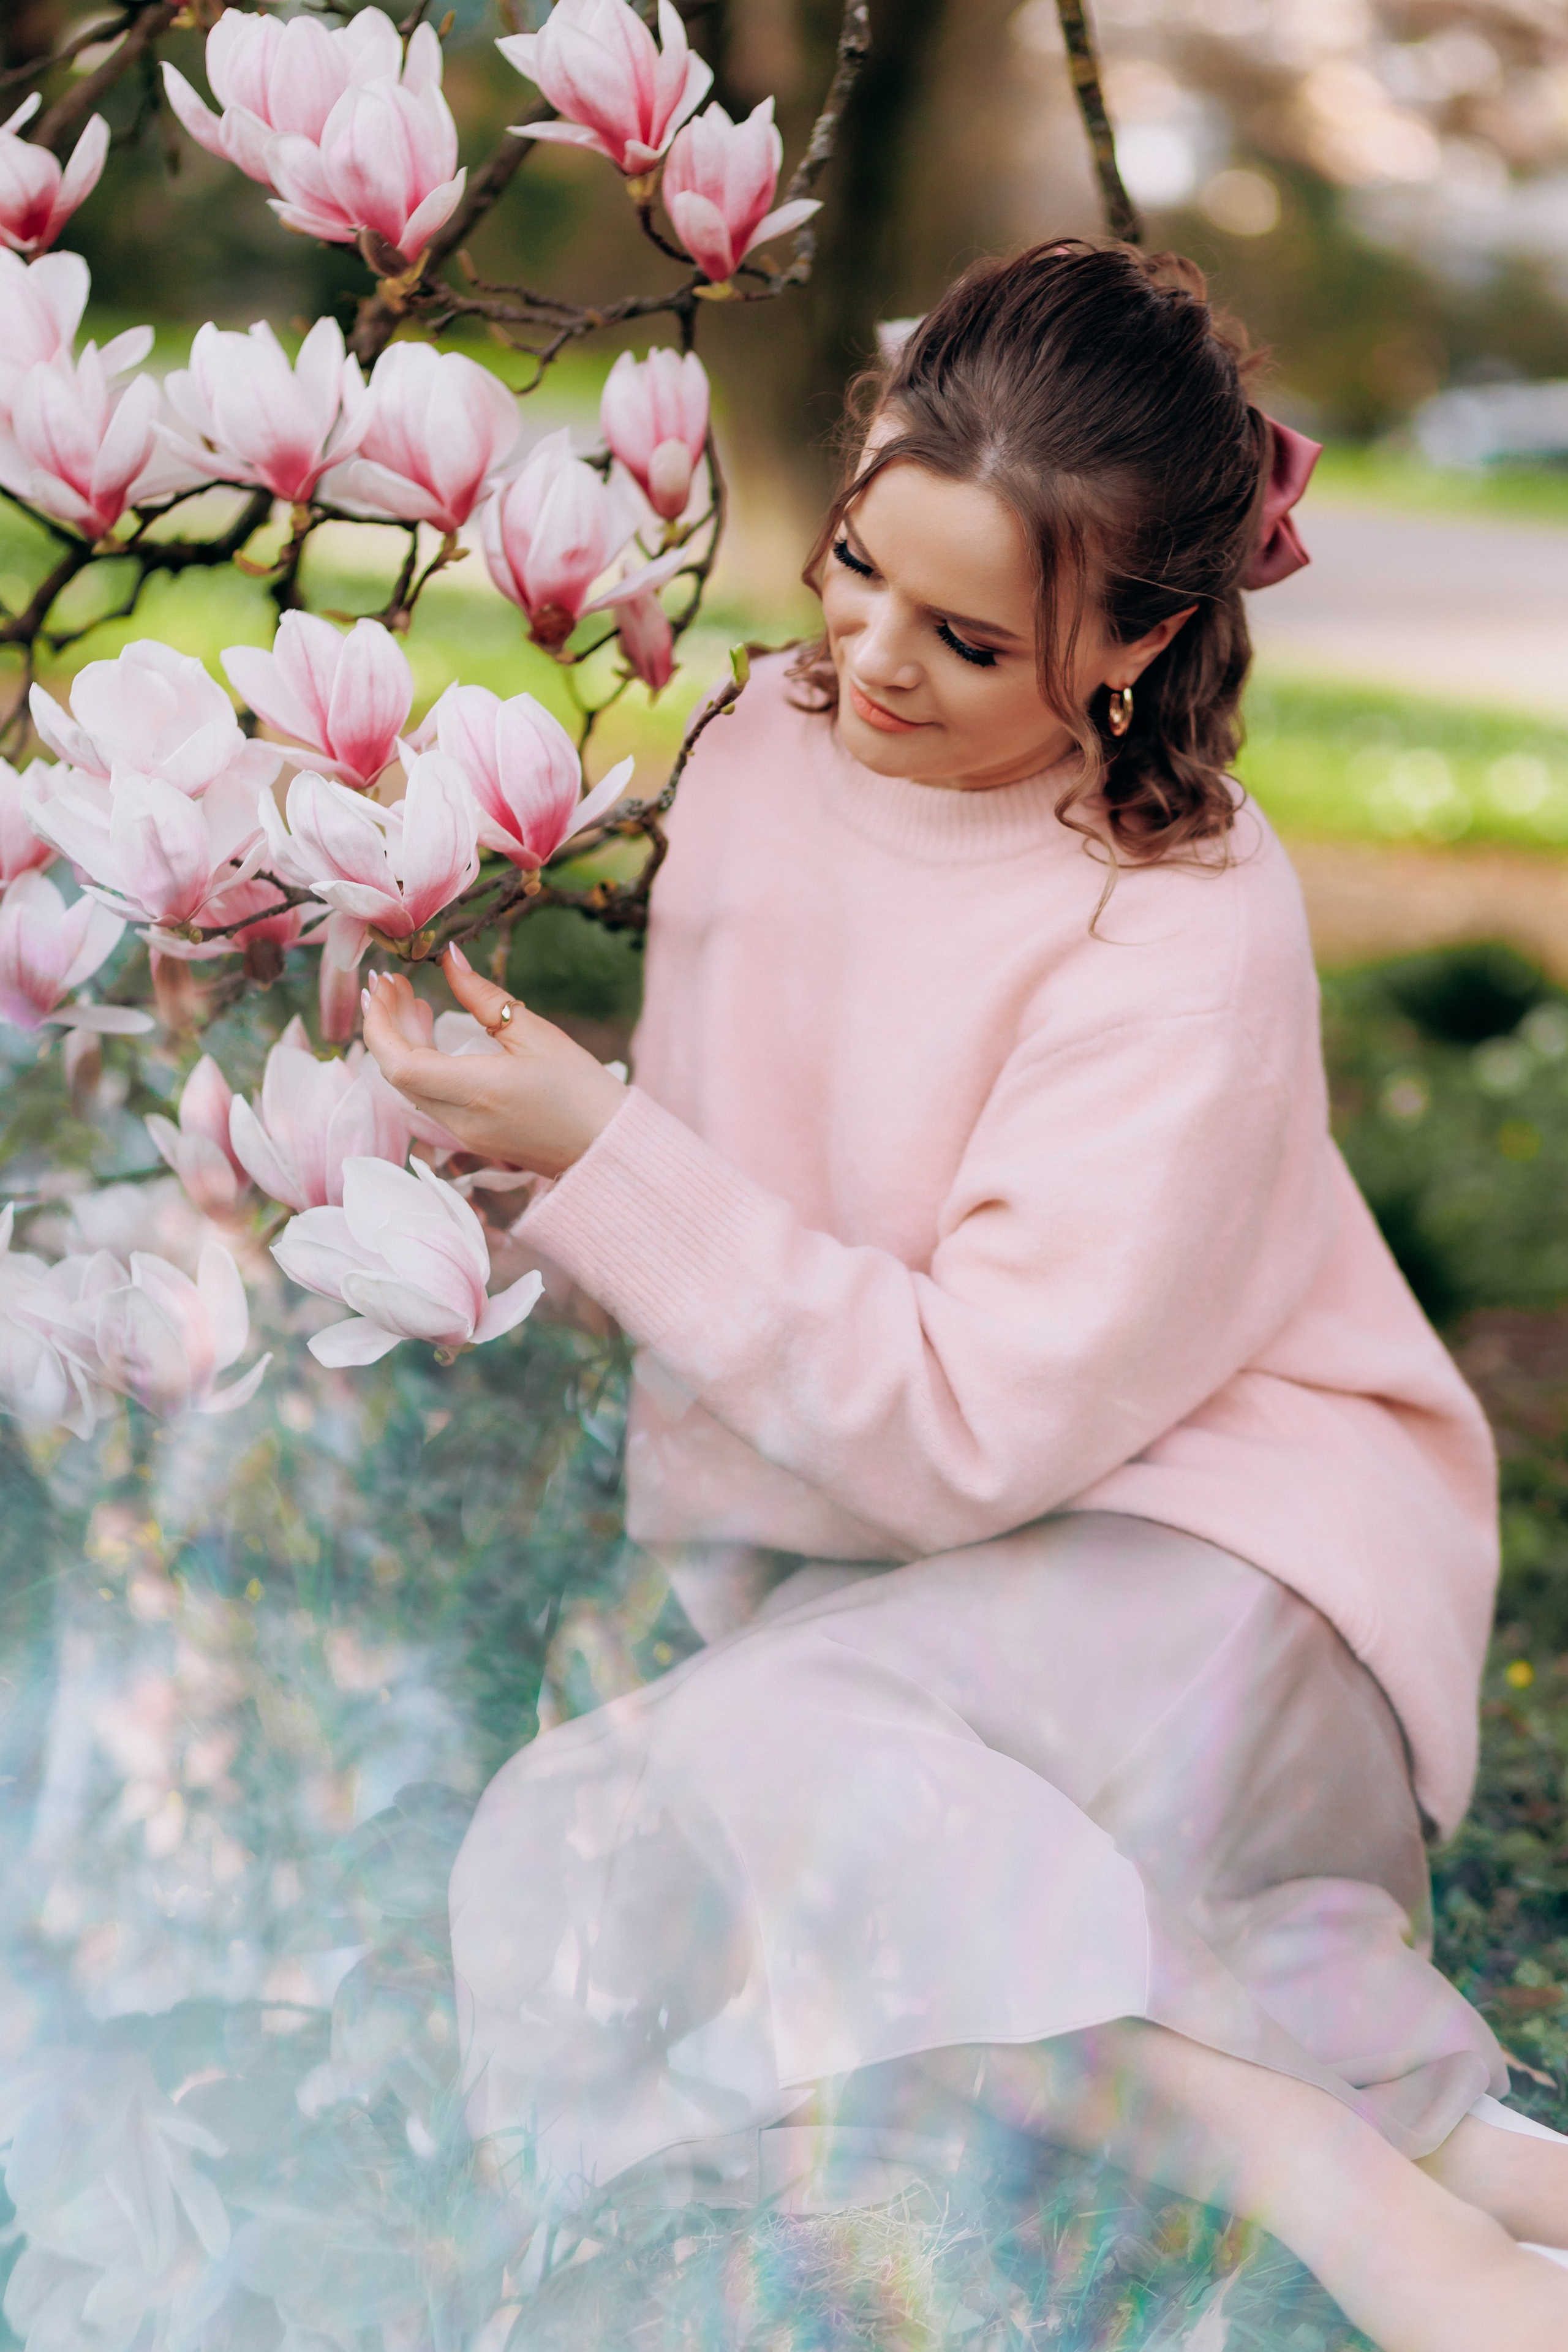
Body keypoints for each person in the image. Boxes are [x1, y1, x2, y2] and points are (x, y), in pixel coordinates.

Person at [362, 241, 1568, 2350]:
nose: (870, 658)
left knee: (785, 1796)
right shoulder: (767, 742)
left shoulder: (1172, 933)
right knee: (605, 1831)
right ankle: (1449, 2154)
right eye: (857, 569)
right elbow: (750, 1194)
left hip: (1229, 1556)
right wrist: (505, 1172)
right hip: (926, 1591)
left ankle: (1370, 2220)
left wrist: (604, 1160)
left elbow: (969, 1429)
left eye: (972, 636)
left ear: (1144, 636)